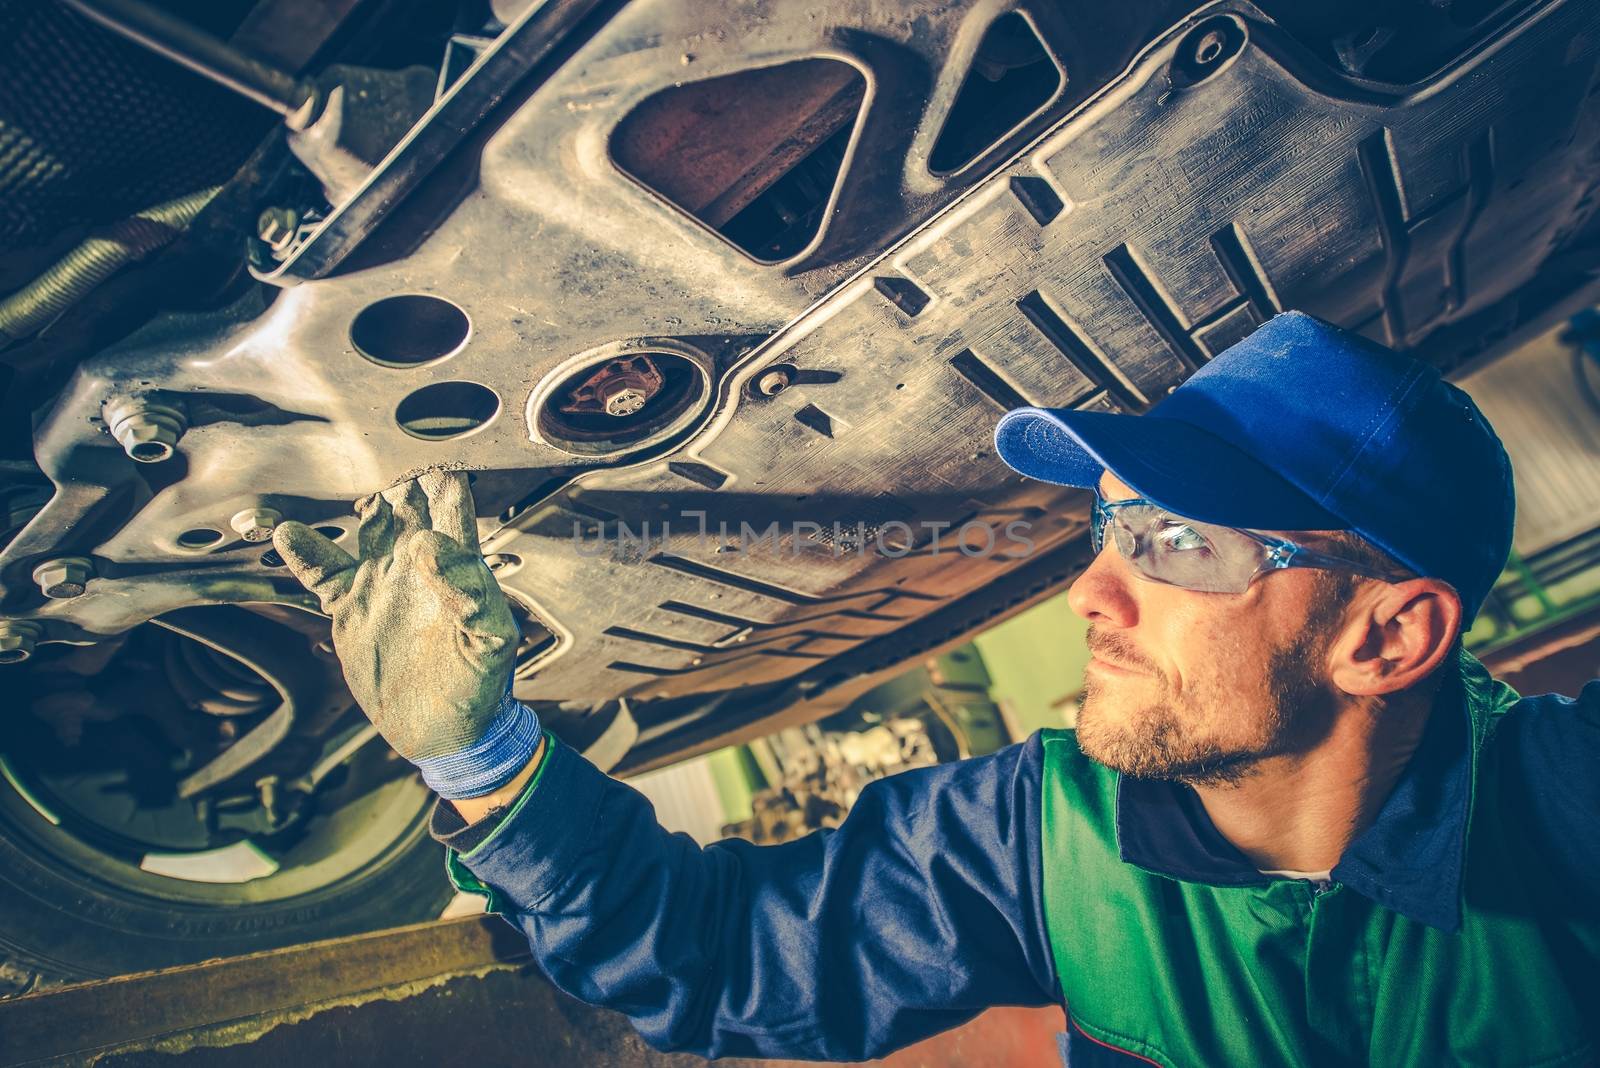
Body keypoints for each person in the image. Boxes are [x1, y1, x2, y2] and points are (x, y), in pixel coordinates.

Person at [272, 311, 1599, 1065]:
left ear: (1385, 640)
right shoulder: (1044, 837)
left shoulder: (1567, 819)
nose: (1092, 593)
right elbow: (717, 954)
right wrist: (484, 751)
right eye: (1105, 526)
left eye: (1178, 542)